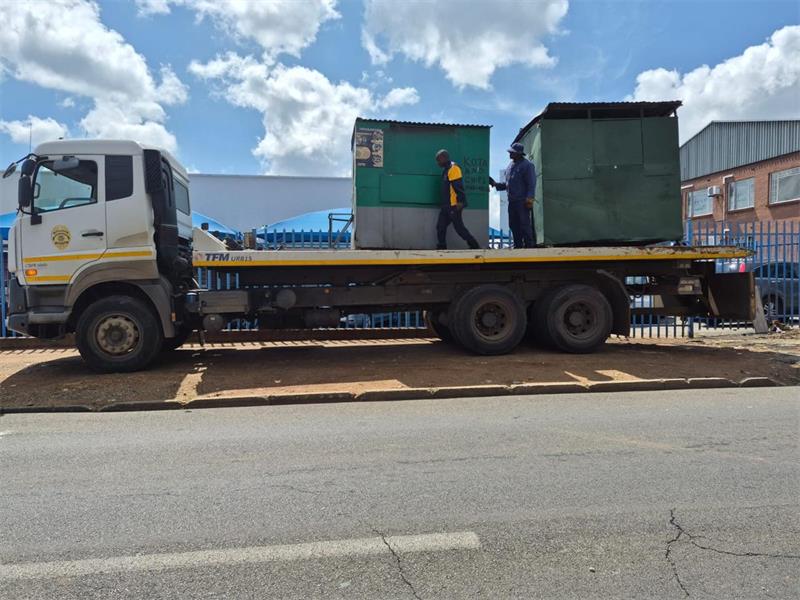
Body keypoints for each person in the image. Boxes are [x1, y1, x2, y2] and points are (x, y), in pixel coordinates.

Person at [489, 142, 536, 248]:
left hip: (522, 201)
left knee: (524, 224)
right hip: (512, 201)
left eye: (512, 152)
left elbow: (531, 183)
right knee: (513, 224)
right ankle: (518, 245)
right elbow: (508, 184)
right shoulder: (510, 166)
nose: (509, 153)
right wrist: (495, 184)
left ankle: (529, 246)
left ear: (519, 153)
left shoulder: (527, 166)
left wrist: (530, 198)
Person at [435, 149, 480, 250]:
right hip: (446, 206)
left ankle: (475, 246)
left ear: (444, 158)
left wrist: (461, 202)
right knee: (440, 227)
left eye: (438, 160)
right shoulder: (446, 170)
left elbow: (458, 187)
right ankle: (442, 248)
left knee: (460, 229)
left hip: (454, 205)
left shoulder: (453, 168)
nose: (437, 163)